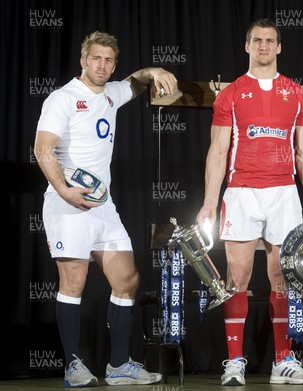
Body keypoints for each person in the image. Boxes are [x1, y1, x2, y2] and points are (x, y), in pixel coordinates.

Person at [34, 31, 178, 387]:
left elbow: (139, 81)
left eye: (109, 60)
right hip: (67, 203)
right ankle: (72, 366)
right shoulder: (62, 98)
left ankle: (118, 365)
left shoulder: (112, 94)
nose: (102, 65)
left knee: (127, 279)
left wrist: (156, 71)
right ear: (83, 61)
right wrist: (66, 191)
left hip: (102, 206)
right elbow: (42, 149)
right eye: (96, 58)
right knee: (75, 281)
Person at [195, 18, 303, 386]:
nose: (265, 46)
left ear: (280, 47)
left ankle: (282, 361)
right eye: (258, 41)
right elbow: (218, 149)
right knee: (237, 277)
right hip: (241, 192)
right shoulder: (232, 93)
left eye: (271, 41)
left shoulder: (297, 94)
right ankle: (235, 360)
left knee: (283, 276)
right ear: (247, 46)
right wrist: (210, 201)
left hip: (284, 192)